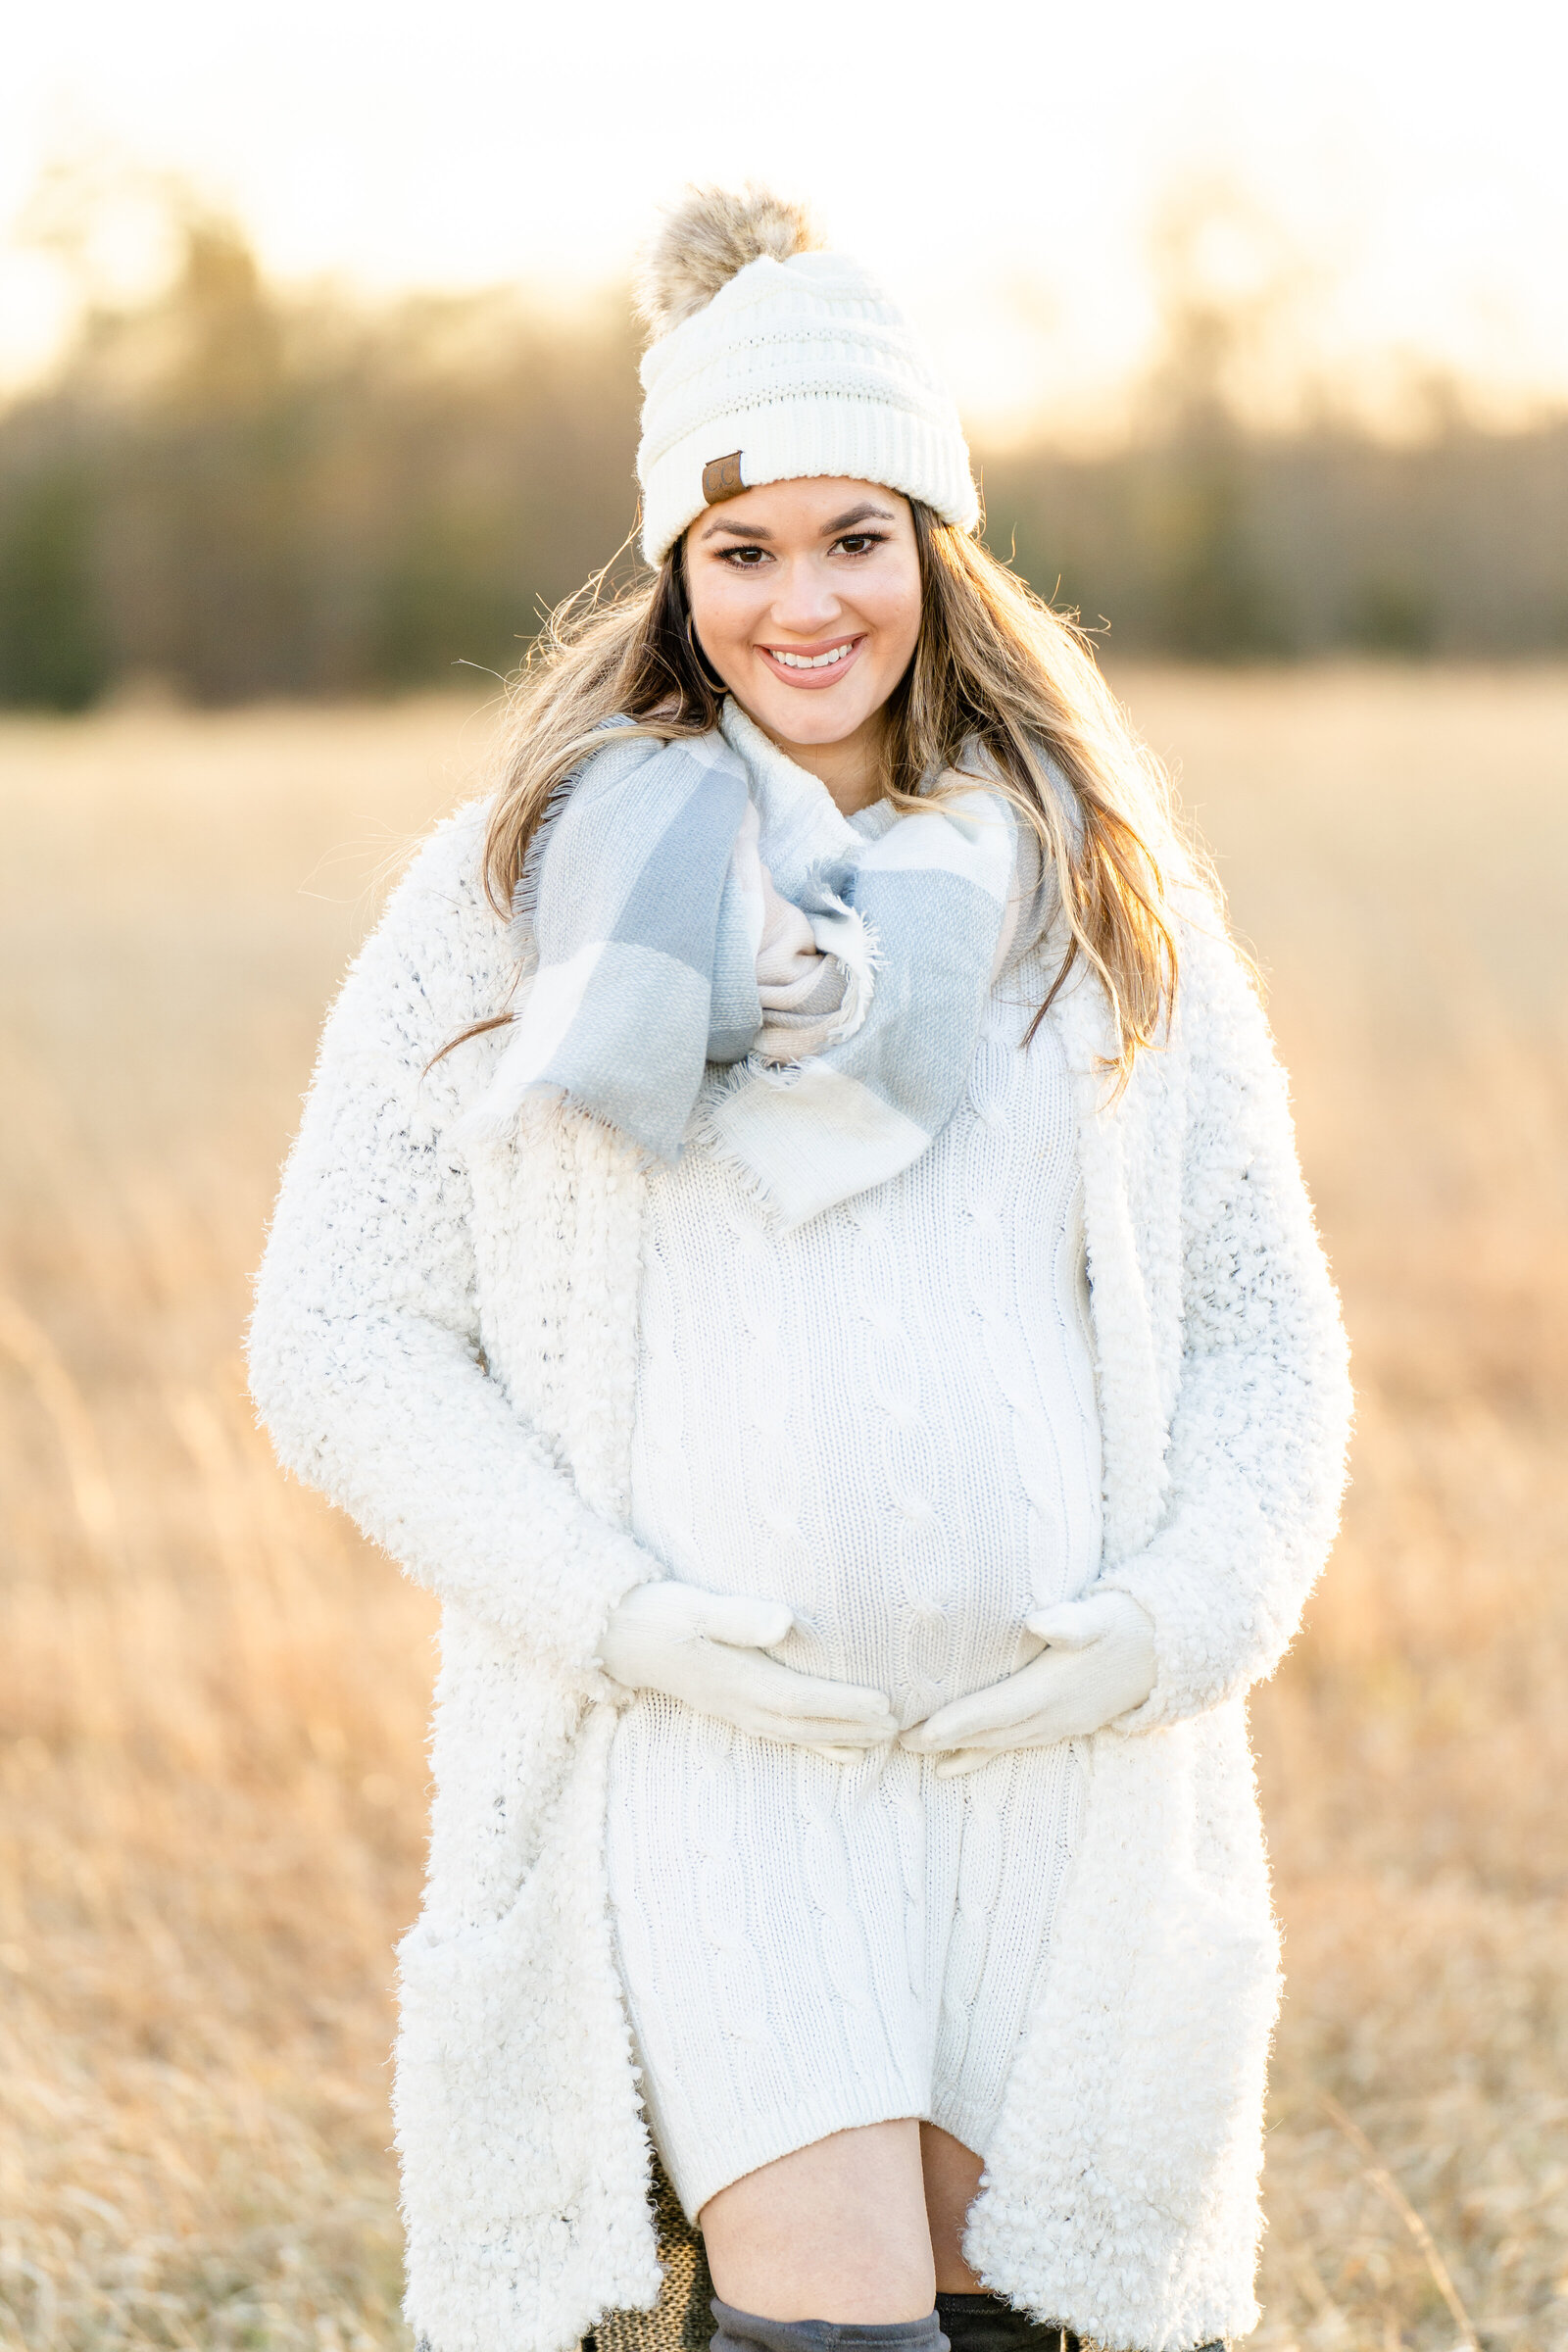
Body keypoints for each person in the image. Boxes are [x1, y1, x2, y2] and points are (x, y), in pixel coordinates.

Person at [249, 186, 1351, 2352]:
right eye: (739, 551)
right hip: (711, 1761)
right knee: (830, 2322)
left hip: (1044, 1766)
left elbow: (1255, 1316)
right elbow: (340, 1336)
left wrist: (1169, 1626)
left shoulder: (1094, 899)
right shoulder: (515, 899)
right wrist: (624, 1618)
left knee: (1027, 2314)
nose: (801, 602)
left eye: (853, 535)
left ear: (936, 544)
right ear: (675, 572)